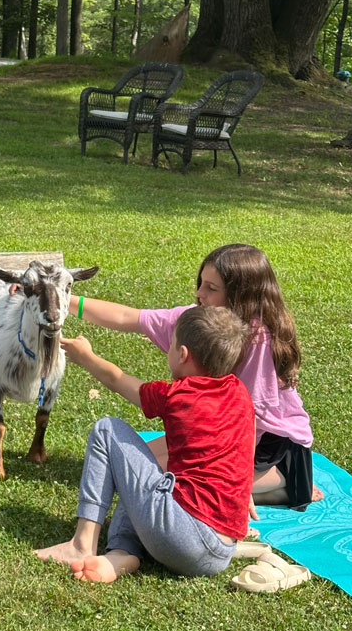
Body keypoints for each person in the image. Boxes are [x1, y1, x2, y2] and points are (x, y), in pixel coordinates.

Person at [67, 243, 319, 514]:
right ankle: (272, 485)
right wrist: (61, 299)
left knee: (171, 478)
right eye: (201, 283)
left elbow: (251, 416)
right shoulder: (198, 322)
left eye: (211, 288)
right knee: (133, 464)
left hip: (268, 443)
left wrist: (240, 480)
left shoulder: (258, 338)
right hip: (212, 431)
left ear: (240, 295)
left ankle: (292, 482)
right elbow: (127, 316)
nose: (199, 294)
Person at [34, 305, 254, 584]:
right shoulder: (240, 392)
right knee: (145, 469)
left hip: (183, 536)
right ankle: (123, 551)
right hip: (221, 551)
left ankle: (81, 544)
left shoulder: (176, 396)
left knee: (108, 430)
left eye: (171, 345)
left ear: (183, 354)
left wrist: (85, 356)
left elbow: (116, 379)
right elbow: (243, 443)